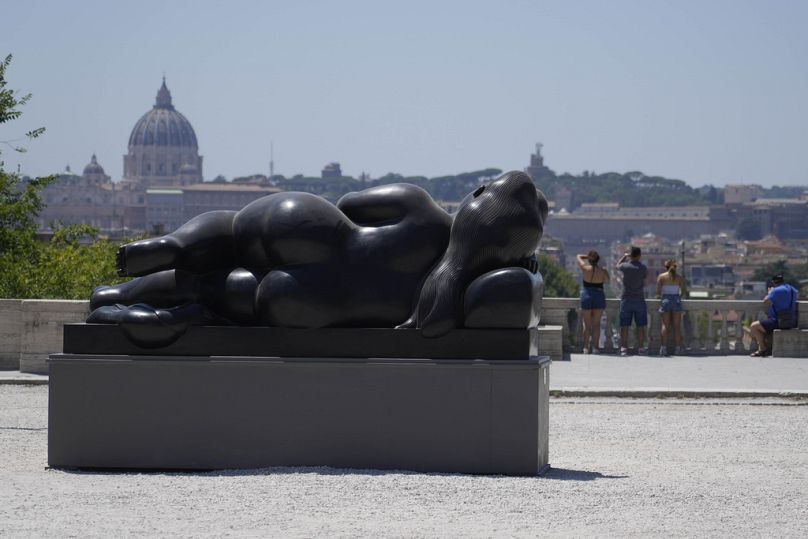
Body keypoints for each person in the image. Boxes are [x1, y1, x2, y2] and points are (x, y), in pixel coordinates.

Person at [749, 274, 798, 357]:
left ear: (773, 282)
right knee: (764, 326)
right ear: (783, 281)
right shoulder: (792, 289)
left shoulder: (776, 291)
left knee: (754, 326)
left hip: (778, 321)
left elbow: (765, 301)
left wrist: (770, 292)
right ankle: (765, 348)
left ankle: (762, 349)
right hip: (791, 321)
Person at [616, 246, 648, 356]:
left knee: (625, 326)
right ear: (639, 255)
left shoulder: (625, 266)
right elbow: (645, 277)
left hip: (626, 299)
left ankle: (624, 348)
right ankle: (641, 348)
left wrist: (624, 257)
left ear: (631, 255)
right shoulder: (643, 268)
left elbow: (617, 266)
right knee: (640, 326)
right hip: (639, 299)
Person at [576, 250, 609, 354]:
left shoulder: (585, 268)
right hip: (598, 295)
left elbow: (578, 256)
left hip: (586, 295)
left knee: (586, 324)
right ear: (598, 260)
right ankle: (595, 348)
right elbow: (607, 281)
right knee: (596, 324)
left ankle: (585, 348)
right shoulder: (603, 271)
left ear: (590, 260)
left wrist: (587, 257)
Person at [655, 260, 687, 356]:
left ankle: (663, 348)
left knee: (665, 325)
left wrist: (661, 297)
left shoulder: (661, 277)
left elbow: (657, 292)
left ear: (666, 267)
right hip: (676, 300)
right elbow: (683, 291)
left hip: (666, 301)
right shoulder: (679, 278)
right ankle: (678, 348)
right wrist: (678, 298)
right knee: (677, 327)